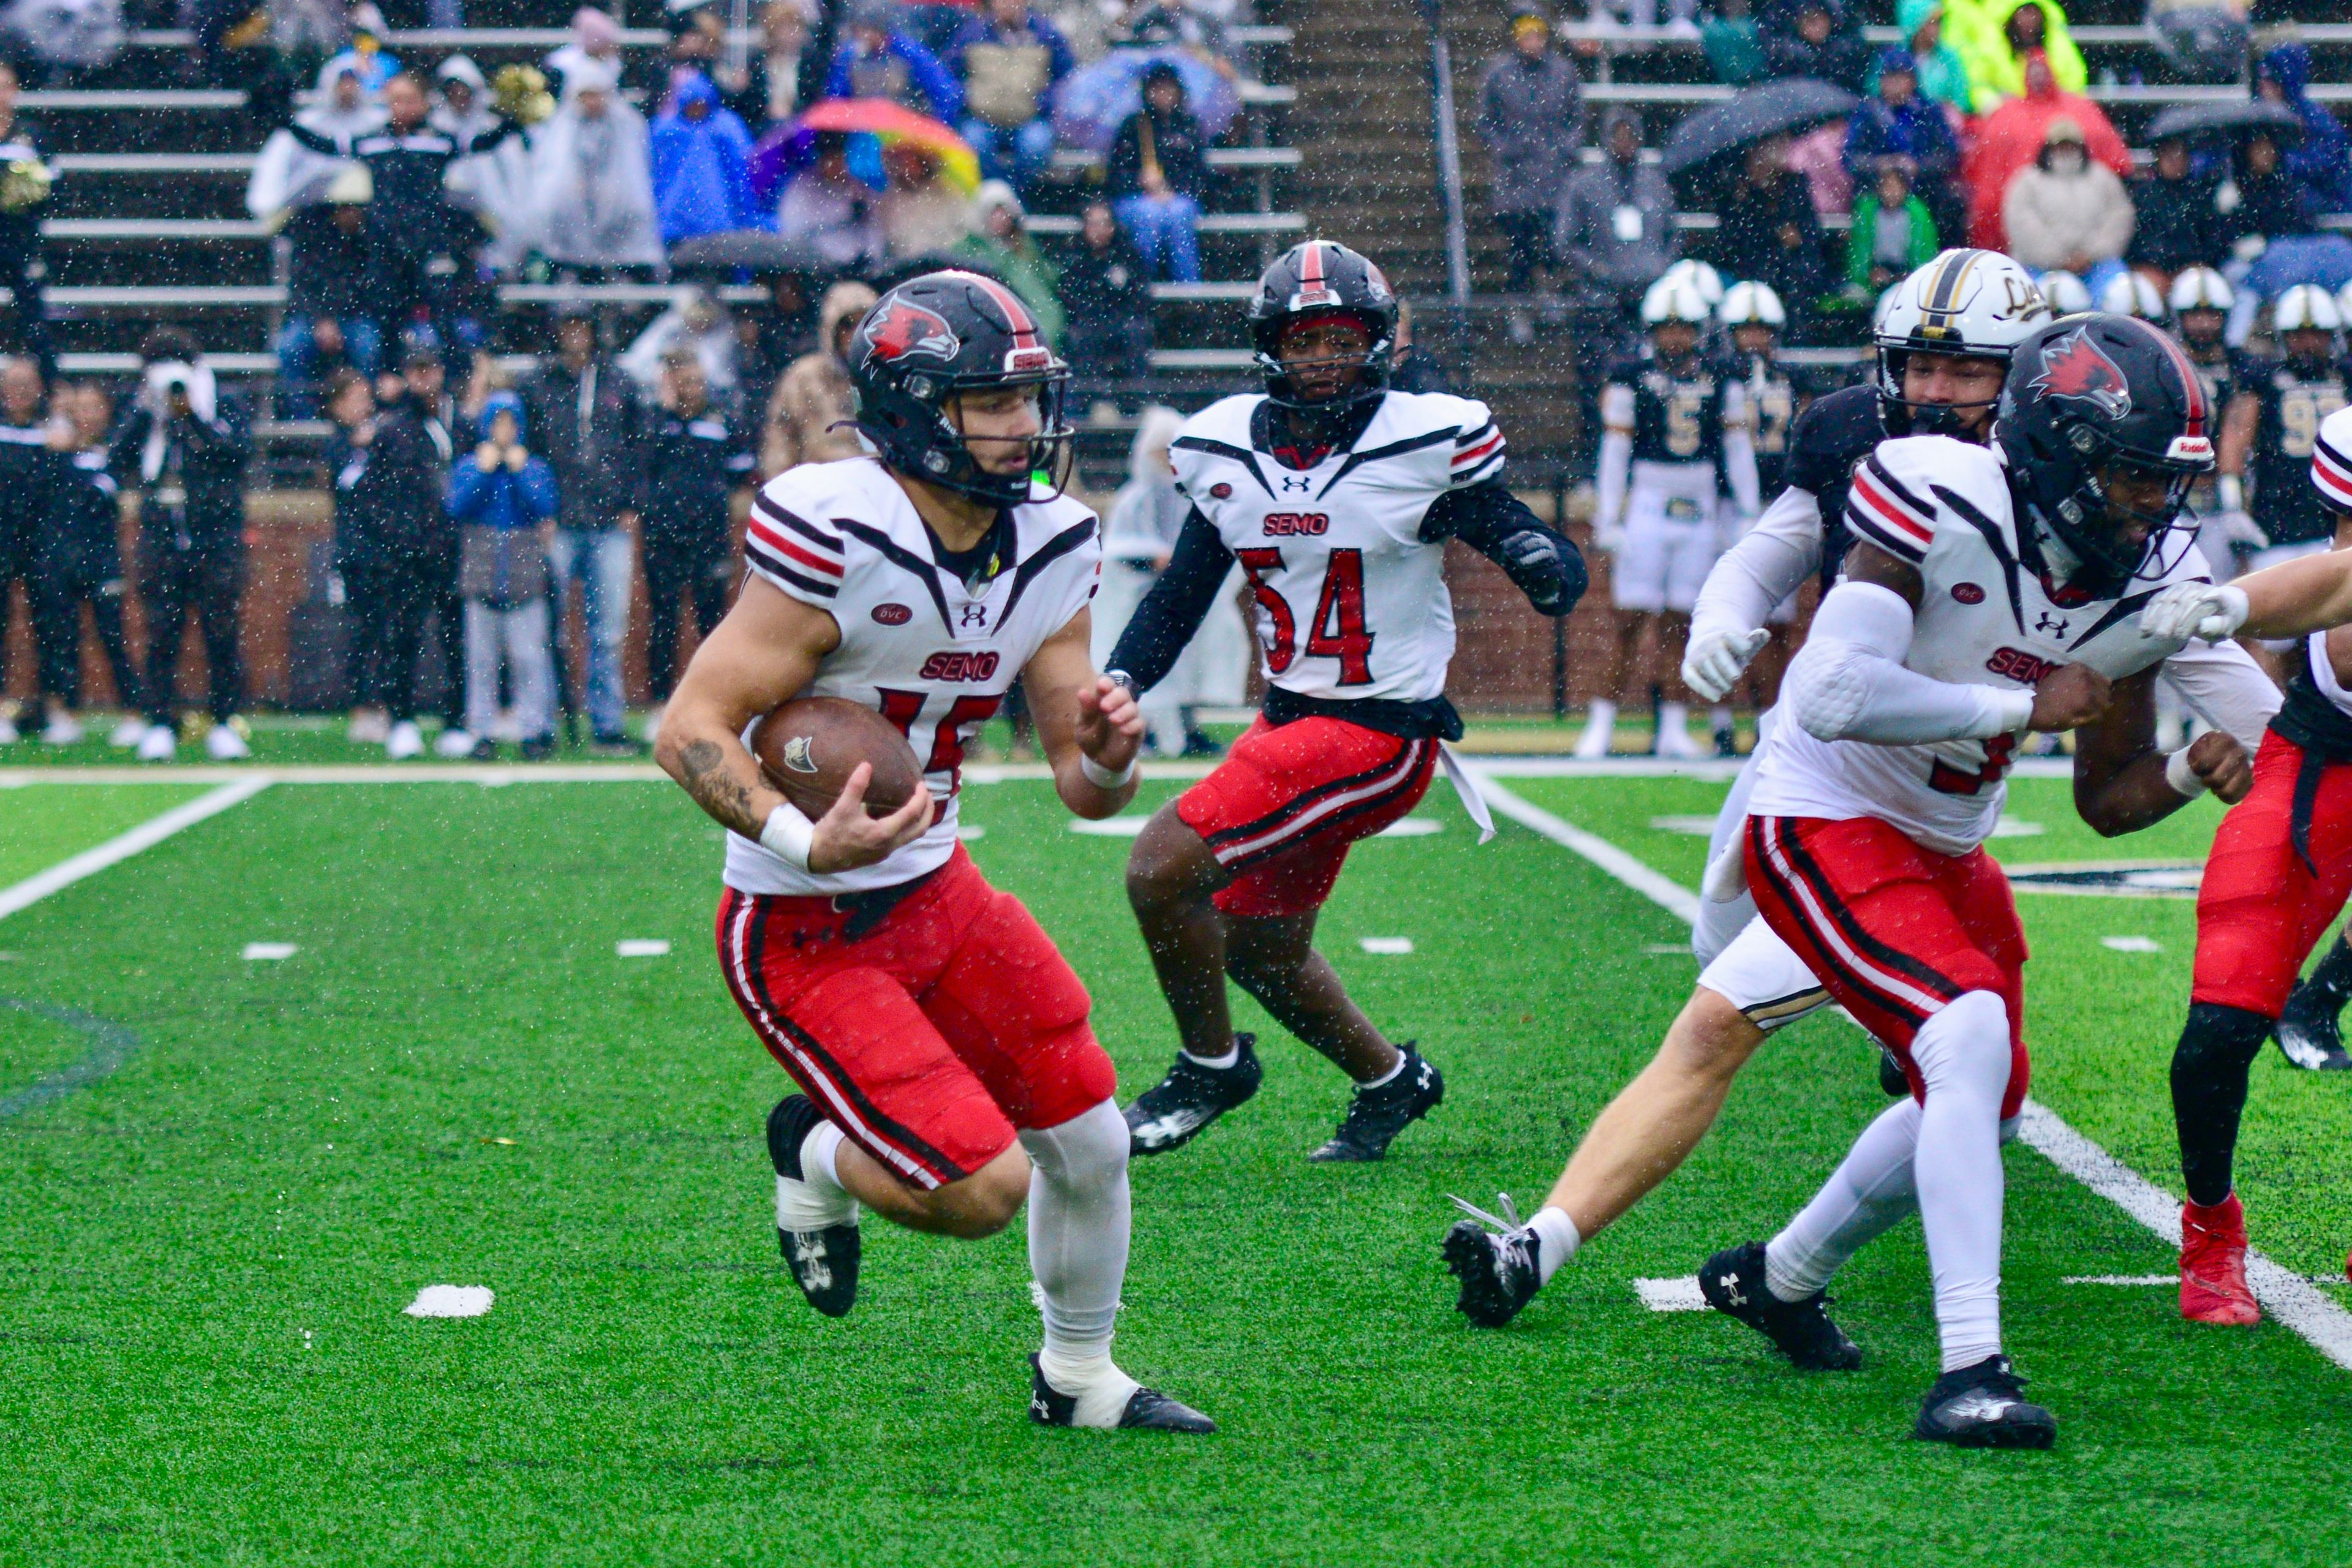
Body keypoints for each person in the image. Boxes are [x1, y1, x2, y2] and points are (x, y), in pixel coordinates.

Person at [1471, 310, 2263, 1450]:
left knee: (1978, 1097)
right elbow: (1833, 690)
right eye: (2134, 475)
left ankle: (1779, 1279)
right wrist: (2015, 705)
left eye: (2166, 479)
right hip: (1825, 815)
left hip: (1940, 847)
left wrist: (2203, 761)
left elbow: (2226, 742)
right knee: (1960, 1029)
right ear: (2058, 449)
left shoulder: (2153, 566)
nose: (2154, 505)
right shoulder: (1936, 487)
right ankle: (1971, 1368)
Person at [650, 268, 1213, 1434]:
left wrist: (1111, 751)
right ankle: (812, 1157)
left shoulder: (1054, 541)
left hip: (941, 891)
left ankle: (1077, 1378)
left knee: (1091, 1138)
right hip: (804, 924)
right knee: (977, 1191)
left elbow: (1085, 786)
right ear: (910, 409)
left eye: (1026, 401)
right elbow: (689, 730)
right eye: (985, 405)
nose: (1020, 430)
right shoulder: (833, 522)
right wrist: (811, 840)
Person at [1104, 241, 1586, 1162]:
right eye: (1303, 339)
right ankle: (1391, 1079)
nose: (1322, 357)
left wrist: (1543, 569)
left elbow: (1544, 556)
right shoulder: (1224, 450)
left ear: (1378, 343)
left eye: (1340, 338)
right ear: (1269, 348)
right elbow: (1182, 592)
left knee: (1160, 868)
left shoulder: (1423, 442)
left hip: (1378, 734)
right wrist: (1125, 678)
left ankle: (1209, 1066)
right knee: (1258, 945)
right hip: (1291, 720)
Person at [2133, 406, 2352, 1320]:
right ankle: (2212, 1223)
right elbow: (2338, 586)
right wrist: (2238, 605)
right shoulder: (2336, 562)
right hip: (2321, 771)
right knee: (2218, 1033)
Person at [1578, 274, 1760, 760]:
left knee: (1682, 622)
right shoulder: (1630, 376)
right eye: (1667, 327)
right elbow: (1614, 454)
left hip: (1699, 502)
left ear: (1699, 330)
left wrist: (1746, 511)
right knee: (1629, 619)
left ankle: (1673, 727)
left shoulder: (1723, 377)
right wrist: (1608, 519)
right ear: (1652, 330)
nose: (1675, 337)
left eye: (1684, 327)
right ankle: (1602, 725)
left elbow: (1738, 450)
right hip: (1649, 501)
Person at [284, 72, 519, 350]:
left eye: (409, 100)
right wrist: (285, 123)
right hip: (386, 247)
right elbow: (324, 145)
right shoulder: (373, 142)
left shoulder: (438, 141)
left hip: (429, 243)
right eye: (395, 100)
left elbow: (484, 142)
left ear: (424, 103)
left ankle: (450, 380)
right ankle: (390, 385)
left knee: (443, 320)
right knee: (387, 328)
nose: (402, 107)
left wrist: (512, 120)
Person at [116, 329, 254, 763]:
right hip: (161, 535)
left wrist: (192, 413)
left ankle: (225, 720)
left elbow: (236, 452)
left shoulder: (224, 402)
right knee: (160, 632)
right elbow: (119, 457)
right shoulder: (144, 410)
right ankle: (159, 720)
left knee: (221, 632)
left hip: (215, 535)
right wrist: (150, 411)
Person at [522, 308, 644, 753]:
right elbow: (531, 451)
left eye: (582, 326)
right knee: (545, 628)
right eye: (568, 327)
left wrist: (632, 503)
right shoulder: (539, 384)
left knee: (607, 632)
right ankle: (543, 725)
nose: (575, 334)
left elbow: (637, 445)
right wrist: (540, 507)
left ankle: (606, 724)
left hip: (609, 521)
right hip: (558, 521)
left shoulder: (619, 382)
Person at [1092, 407, 1243, 758]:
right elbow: (1117, 549)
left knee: (1185, 670)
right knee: (1140, 668)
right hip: (1141, 600)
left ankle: (1187, 730)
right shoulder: (1135, 497)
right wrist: (1152, 558)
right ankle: (1145, 734)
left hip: (1181, 599)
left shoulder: (1191, 496)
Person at [326, 368, 445, 760]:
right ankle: (371, 707)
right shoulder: (344, 444)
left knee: (401, 634)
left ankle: (396, 711)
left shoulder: (395, 434)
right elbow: (350, 490)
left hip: (398, 552)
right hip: (364, 554)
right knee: (369, 633)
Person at [2213, 287, 2346, 625]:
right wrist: (2232, 506)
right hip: (2278, 523)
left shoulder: (2346, 377)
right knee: (2269, 635)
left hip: (2335, 523)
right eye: (2299, 335)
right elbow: (2235, 444)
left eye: (2317, 334)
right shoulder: (2265, 380)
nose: (2308, 343)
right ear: (2284, 337)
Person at [636, 350, 755, 714]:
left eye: (697, 382)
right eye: (685, 382)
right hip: (664, 538)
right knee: (664, 620)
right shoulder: (655, 422)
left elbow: (741, 475)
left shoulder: (721, 422)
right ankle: (662, 703)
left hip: (708, 537)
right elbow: (641, 466)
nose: (692, 390)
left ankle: (713, 701)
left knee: (712, 620)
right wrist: (665, 412)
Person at [449, 390, 559, 760]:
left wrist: (519, 470)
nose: (504, 431)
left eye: (511, 423)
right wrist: (484, 471)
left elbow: (544, 506)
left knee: (529, 658)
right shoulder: (470, 465)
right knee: (481, 660)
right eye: (497, 423)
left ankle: (534, 729)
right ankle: (482, 731)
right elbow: (458, 506)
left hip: (524, 575)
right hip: (482, 574)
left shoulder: (535, 466)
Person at [33, 383, 144, 748]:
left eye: (94, 407)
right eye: (79, 408)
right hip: (57, 558)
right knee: (58, 638)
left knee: (112, 635)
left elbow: (105, 496)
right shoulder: (51, 452)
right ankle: (62, 712)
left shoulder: (116, 453)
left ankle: (134, 712)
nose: (87, 415)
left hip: (100, 559)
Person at [1959, 48, 2127, 254]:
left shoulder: (2081, 111)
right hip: (2028, 242)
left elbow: (2115, 168)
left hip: (2084, 238)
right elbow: (1988, 184)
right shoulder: (2006, 116)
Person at [1476, 7, 1583, 309]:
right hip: (1515, 177)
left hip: (1554, 176)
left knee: (1554, 244)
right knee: (1519, 246)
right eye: (1527, 36)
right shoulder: (1499, 74)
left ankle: (1551, 297)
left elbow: (1577, 118)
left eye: (1537, 36)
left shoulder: (1564, 72)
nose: (1533, 43)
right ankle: (1520, 303)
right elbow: (1486, 121)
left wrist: (1564, 148)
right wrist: (1505, 148)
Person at [530, 61, 665, 280]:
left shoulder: (627, 123)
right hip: (573, 221)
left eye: (597, 94)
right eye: (586, 95)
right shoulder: (562, 126)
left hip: (620, 220)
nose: (592, 102)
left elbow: (635, 169)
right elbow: (551, 170)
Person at [277, 165, 379, 418]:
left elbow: (376, 288)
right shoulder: (313, 238)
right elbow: (301, 285)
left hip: (355, 317)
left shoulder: (373, 241)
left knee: (370, 346)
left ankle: (361, 414)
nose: (352, 214)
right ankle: (303, 418)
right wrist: (322, 319)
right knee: (290, 348)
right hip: (317, 317)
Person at [1553, 107, 1676, 309]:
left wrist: (1661, 265)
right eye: (1618, 136)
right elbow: (1567, 241)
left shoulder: (1656, 184)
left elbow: (1672, 233)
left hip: (1650, 289)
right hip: (1601, 295)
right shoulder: (1583, 186)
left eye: (1631, 135)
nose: (1625, 142)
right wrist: (1596, 267)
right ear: (1606, 139)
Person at [947, 0, 1074, 196]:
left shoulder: (1044, 34)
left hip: (1030, 120)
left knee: (1036, 148)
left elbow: (1066, 76)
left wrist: (1045, 103)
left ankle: (1017, 196)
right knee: (974, 145)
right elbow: (950, 74)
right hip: (982, 120)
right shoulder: (972, 34)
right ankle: (996, 197)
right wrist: (967, 98)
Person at [1842, 50, 1961, 249]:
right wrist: (1881, 166)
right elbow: (1850, 158)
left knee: (1948, 206)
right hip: (1876, 191)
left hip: (1922, 190)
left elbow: (1948, 155)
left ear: (1913, 81)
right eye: (1890, 77)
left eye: (1901, 77)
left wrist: (1918, 166)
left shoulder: (1928, 112)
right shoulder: (1868, 113)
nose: (1894, 84)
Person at [2001, 119, 2133, 297]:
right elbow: (2022, 225)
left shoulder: (2104, 178)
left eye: (2071, 146)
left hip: (2097, 267)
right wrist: (2058, 259)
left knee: (2121, 293)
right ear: (2048, 149)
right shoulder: (2026, 182)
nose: (2065, 151)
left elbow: (2120, 216)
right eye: (2059, 146)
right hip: (2040, 268)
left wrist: (2091, 254)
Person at [1708, 137, 1831, 324]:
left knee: (1800, 287)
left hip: (1791, 269)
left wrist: (1796, 241)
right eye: (1772, 145)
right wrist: (1772, 231)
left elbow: (1811, 234)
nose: (1780, 149)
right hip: (1750, 268)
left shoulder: (1795, 185)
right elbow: (1731, 240)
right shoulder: (1737, 189)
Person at [1105, 61, 1207, 284]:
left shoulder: (1189, 126)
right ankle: (1143, 281)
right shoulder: (1133, 126)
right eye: (1158, 89)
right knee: (1148, 215)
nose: (1164, 95)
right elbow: (1115, 176)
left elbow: (1199, 175)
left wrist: (1171, 188)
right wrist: (1139, 183)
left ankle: (1189, 288)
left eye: (1169, 88)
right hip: (1136, 200)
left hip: (1178, 199)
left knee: (1179, 215)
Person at [763, 279, 878, 478]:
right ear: (832, 329)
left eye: (866, 323)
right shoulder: (804, 377)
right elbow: (779, 445)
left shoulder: (890, 378)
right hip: (818, 493)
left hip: (880, 493)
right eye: (848, 325)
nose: (856, 334)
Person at [1058, 200, 1154, 410]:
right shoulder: (1075, 259)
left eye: (1104, 224)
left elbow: (1139, 294)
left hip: (1123, 321)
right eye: (1093, 224)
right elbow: (1071, 298)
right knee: (1080, 337)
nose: (1099, 230)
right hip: (1089, 322)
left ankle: (1138, 400)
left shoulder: (1127, 255)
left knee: (1136, 331)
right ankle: (1094, 400)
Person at [0, 353, 50, 743]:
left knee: (53, 627)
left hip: (44, 543)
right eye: (12, 384)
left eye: (26, 384)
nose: (19, 393)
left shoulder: (53, 432)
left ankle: (56, 707)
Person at [650, 71, 759, 247]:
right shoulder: (667, 130)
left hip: (718, 213)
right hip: (676, 214)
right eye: (692, 104)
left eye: (700, 104)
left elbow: (742, 167)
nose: (696, 109)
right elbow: (657, 171)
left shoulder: (725, 127)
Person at [951, 181, 1063, 347]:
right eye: (994, 213)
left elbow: (1042, 293)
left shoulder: (1024, 248)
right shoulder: (967, 251)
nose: (1000, 219)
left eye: (1004, 213)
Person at [824, 0, 963, 123]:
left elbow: (947, 93)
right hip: (861, 125)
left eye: (866, 30)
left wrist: (936, 126)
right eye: (857, 30)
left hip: (904, 127)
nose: (861, 36)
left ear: (881, 30)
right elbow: (834, 98)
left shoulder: (908, 52)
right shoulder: (850, 54)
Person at [0, 64, 53, 380]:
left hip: (21, 238)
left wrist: (18, 192)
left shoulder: (31, 135)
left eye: (6, 86)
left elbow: (49, 183)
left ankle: (48, 383)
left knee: (34, 319)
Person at [2257, 43, 2352, 219]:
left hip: (2324, 210)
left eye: (2271, 82)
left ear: (2285, 83)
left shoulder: (2317, 120)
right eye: (2262, 82)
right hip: (2280, 209)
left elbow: (2326, 166)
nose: (2265, 88)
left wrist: (2279, 161)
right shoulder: (2259, 119)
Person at [777, 129, 887, 271]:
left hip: (857, 267)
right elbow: (792, 232)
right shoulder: (801, 189)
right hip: (815, 267)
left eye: (839, 158)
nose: (835, 165)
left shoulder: (859, 188)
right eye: (830, 159)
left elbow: (875, 233)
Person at [1951, 0, 2085, 110]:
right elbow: (1979, 85)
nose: (2030, 20)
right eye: (2024, 12)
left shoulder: (2057, 44)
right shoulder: (1991, 46)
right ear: (2011, 16)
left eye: (2034, 12)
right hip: (2007, 119)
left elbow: (2075, 82)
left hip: (2052, 118)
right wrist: (1997, 107)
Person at [2127, 135, 2226, 280]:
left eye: (2178, 154)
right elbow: (2136, 240)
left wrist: (2196, 263)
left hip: (2191, 269)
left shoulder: (2199, 196)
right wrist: (2148, 265)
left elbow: (2212, 240)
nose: (2173, 161)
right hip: (2152, 269)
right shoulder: (2143, 196)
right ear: (2158, 158)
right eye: (2167, 154)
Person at [1845, 160, 1939, 297]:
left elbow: (1926, 250)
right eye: (1887, 187)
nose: (1892, 192)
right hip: (1875, 271)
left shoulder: (1919, 214)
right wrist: (1867, 275)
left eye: (1897, 187)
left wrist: (1911, 276)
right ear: (1879, 189)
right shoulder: (1867, 212)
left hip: (1907, 272)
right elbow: (1858, 250)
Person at [1757, 0, 1869, 92]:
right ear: (1797, 24)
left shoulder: (1846, 53)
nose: (1818, 27)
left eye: (1823, 19)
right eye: (1811, 21)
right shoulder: (1786, 56)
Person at [1891, 0, 1971, 115]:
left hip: (1939, 125)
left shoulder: (1949, 58)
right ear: (1915, 24)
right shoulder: (1894, 58)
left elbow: (1961, 101)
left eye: (1940, 21)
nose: (1938, 27)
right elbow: (1877, 95)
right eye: (1932, 22)